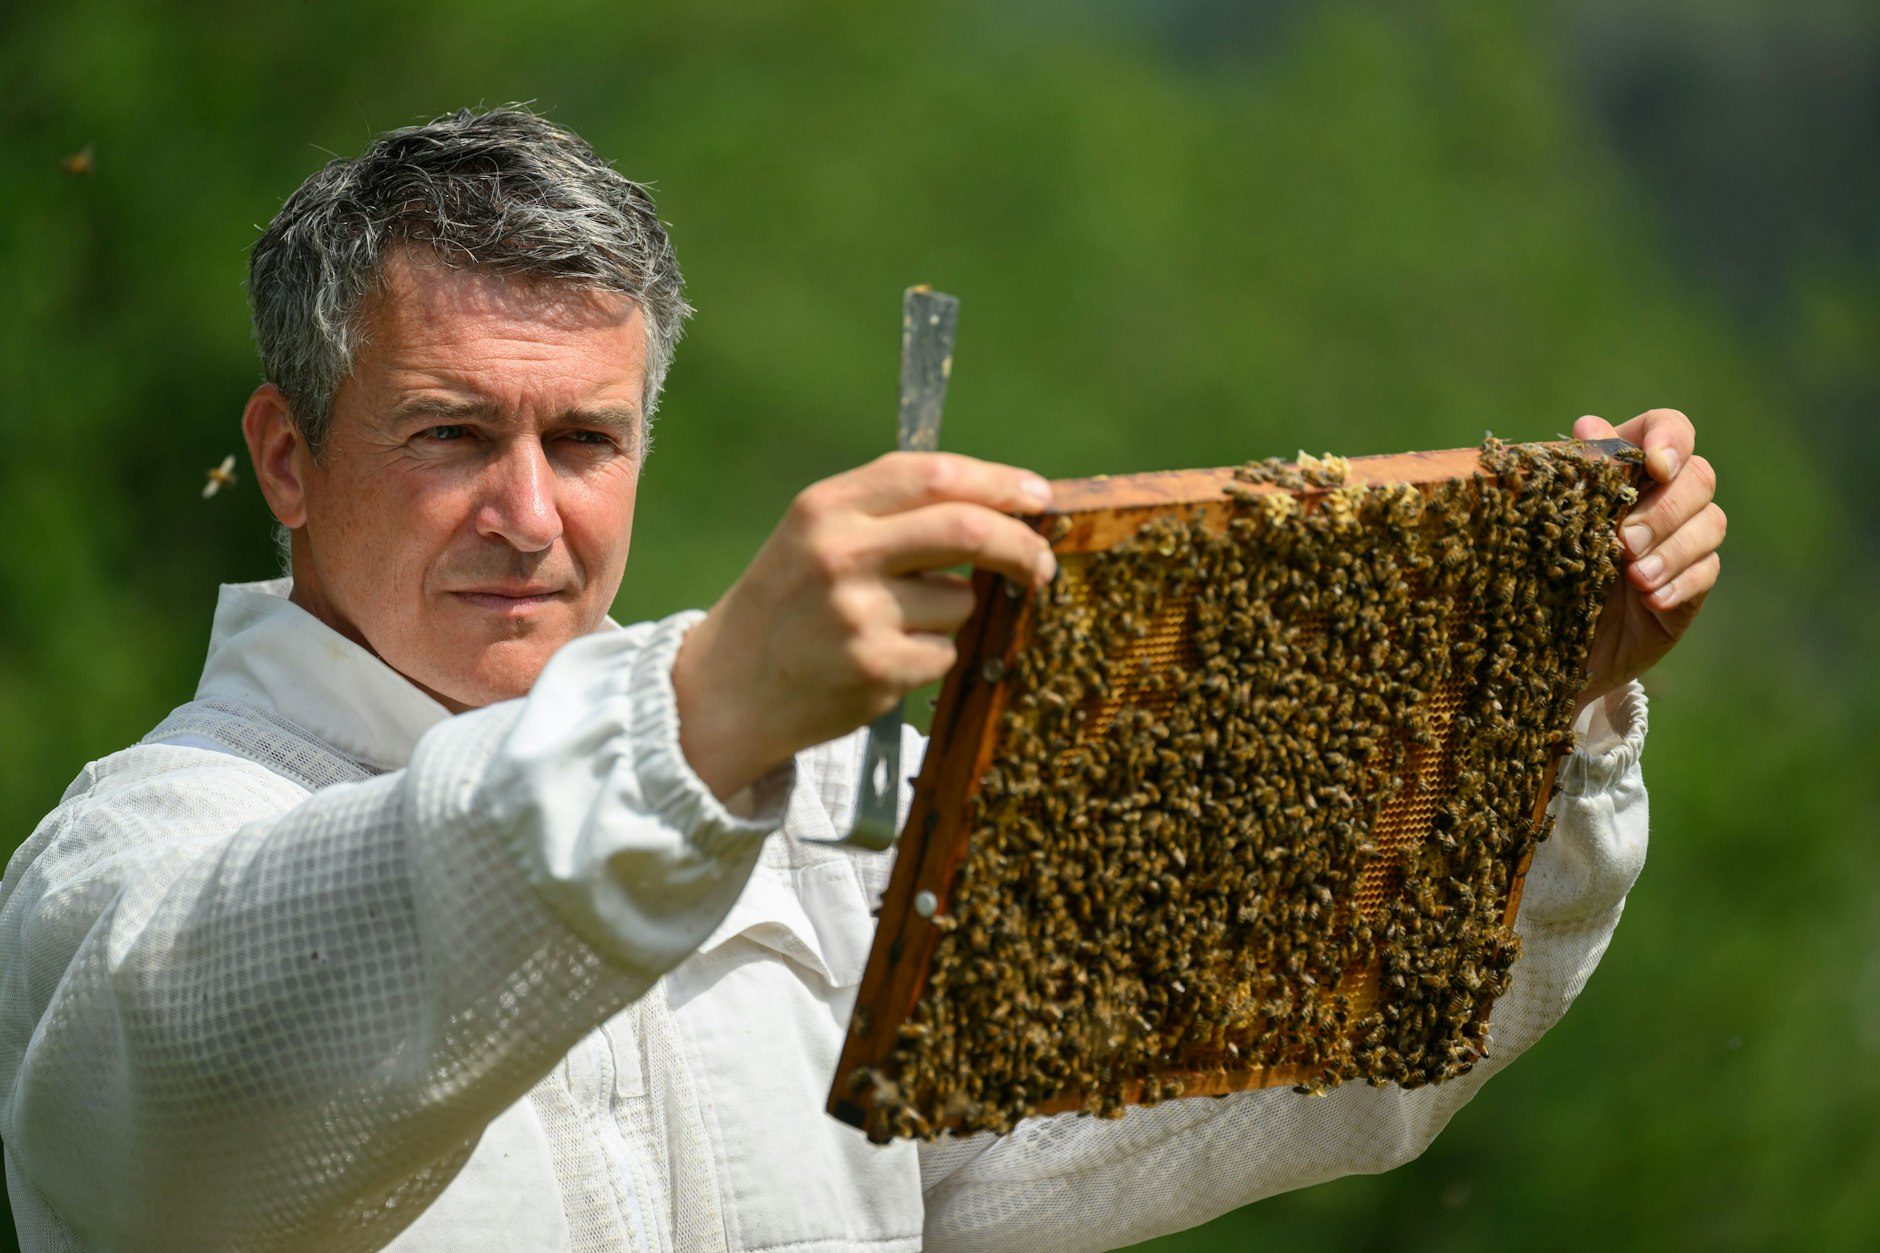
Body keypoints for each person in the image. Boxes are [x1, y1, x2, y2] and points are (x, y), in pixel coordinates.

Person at [0, 107, 1724, 1253]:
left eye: (585, 438)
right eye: (451, 432)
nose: (528, 513)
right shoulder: (133, 859)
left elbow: (1310, 1043)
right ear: (288, 456)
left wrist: (1527, 700)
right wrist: (697, 718)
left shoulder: (824, 803)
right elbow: (209, 1074)